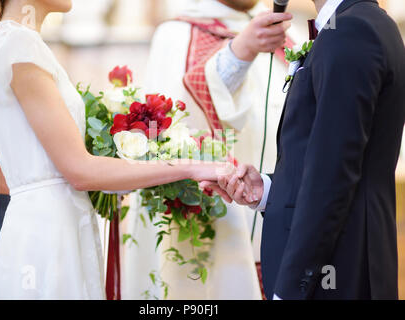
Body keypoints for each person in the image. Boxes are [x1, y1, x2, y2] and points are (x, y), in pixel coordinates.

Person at [0, 0, 226, 299]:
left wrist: (116, 176)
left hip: (47, 225)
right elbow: (80, 171)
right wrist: (193, 166)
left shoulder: (10, 43)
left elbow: (33, 167)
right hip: (48, 240)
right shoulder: (18, 45)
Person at [204, 0, 405, 299]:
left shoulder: (352, 29)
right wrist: (270, 190)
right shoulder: (359, 23)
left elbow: (334, 175)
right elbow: (331, 156)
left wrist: (290, 290)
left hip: (338, 269)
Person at [123, 0, 295, 299]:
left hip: (281, 210)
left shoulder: (282, 33)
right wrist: (241, 52)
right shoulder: (175, 34)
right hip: (223, 218)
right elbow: (173, 128)